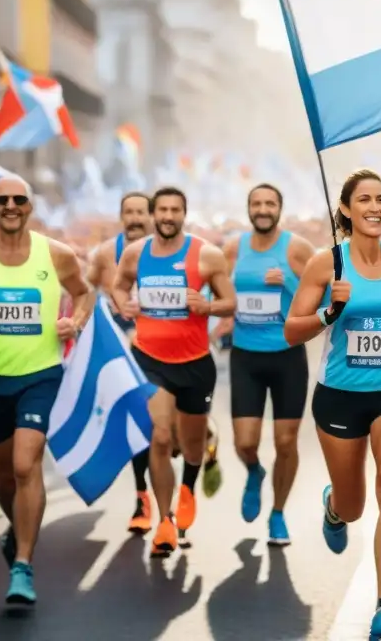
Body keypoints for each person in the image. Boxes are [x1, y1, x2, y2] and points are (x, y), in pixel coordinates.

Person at [285, 169, 381, 641]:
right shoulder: (325, 264)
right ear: (346, 209)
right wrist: (331, 310)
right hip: (340, 397)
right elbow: (292, 330)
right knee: (353, 506)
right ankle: (334, 506)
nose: (375, 207)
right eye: (364, 199)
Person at [0, 176, 92, 604]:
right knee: (5, 475)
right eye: (2, 200)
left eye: (19, 199)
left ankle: (23, 565)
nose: (11, 205)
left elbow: (83, 295)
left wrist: (76, 322)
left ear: (30, 207)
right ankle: (18, 527)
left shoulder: (58, 254)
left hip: (40, 376)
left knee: (27, 465)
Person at [112, 186, 234, 557]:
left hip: (195, 363)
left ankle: (188, 489)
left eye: (175, 210)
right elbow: (118, 286)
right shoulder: (135, 254)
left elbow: (231, 303)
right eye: (162, 210)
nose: (168, 216)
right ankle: (165, 521)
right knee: (160, 438)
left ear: (184, 213)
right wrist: (124, 305)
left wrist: (207, 307)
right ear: (153, 214)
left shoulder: (206, 256)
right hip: (151, 361)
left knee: (192, 445)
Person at [215, 183, 314, 545]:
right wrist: (219, 319)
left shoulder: (297, 248)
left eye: (269, 203)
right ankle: (254, 470)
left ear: (279, 208)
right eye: (256, 203)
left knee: (285, 442)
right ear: (249, 209)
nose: (263, 208)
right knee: (244, 442)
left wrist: (286, 280)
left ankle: (278, 514)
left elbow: (319, 292)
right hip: (245, 356)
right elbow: (219, 293)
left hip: (287, 356)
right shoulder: (232, 250)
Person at [86, 191, 152, 534]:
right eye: (130, 212)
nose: (136, 217)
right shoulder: (103, 254)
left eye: (142, 211)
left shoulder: (172, 249)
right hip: (124, 346)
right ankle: (142, 495)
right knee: (138, 422)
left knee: (174, 428)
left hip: (168, 343)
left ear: (152, 215)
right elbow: (83, 291)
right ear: (121, 216)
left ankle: (204, 436)